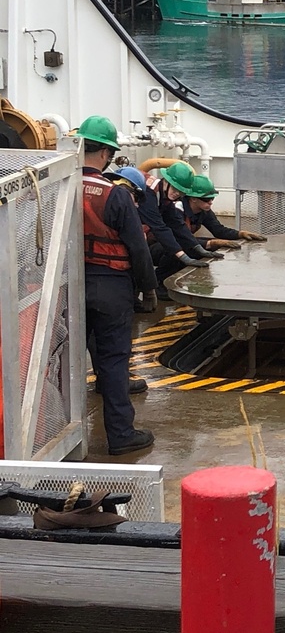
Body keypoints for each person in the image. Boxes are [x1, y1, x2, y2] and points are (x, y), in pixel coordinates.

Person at [78, 115, 157, 455]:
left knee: (60, 362)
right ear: (107, 154)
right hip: (111, 285)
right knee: (112, 361)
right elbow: (138, 248)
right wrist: (148, 288)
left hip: (68, 284)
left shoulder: (59, 185)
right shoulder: (116, 194)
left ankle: (48, 431)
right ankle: (121, 436)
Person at [137, 162, 222, 297]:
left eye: (181, 192)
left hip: (142, 236)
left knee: (180, 247)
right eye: (175, 189)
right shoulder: (149, 194)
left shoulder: (165, 197)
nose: (177, 193)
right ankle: (152, 287)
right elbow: (160, 228)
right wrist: (183, 256)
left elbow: (177, 225)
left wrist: (197, 247)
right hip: (135, 235)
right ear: (166, 181)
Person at [183, 175, 268, 250]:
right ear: (193, 198)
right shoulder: (178, 210)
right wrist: (213, 243)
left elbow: (218, 230)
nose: (210, 202)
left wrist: (240, 234)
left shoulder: (204, 211)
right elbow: (181, 240)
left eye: (212, 198)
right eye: (206, 199)